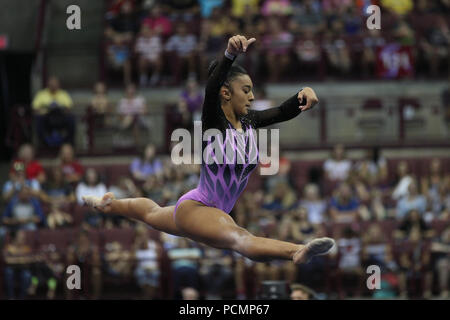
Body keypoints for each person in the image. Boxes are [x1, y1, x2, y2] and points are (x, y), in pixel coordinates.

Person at [83, 35, 334, 267]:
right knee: (240, 238)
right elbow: (210, 90)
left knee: (151, 212)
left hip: (203, 208)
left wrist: (303, 94)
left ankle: (106, 204)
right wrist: (228, 55)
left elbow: (281, 111)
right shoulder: (214, 122)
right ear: (226, 93)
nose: (252, 96)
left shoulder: (248, 122)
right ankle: (295, 251)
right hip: (200, 208)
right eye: (246, 90)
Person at [32, 76, 75, 146]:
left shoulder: (63, 94)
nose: (53, 86)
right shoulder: (41, 94)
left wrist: (59, 108)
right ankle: (43, 143)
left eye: (55, 84)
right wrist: (47, 108)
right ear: (48, 85)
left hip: (60, 117)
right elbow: (35, 109)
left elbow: (69, 108)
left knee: (71, 119)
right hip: (46, 118)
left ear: (58, 85)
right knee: (38, 119)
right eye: (51, 85)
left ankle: (69, 143)